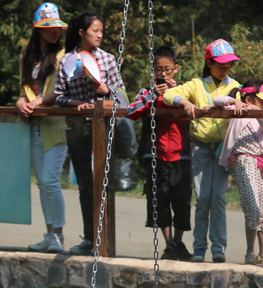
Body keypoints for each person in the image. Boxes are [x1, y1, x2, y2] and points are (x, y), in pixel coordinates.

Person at [163, 39, 241, 263]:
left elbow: (242, 101)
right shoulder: (196, 84)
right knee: (203, 198)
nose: (225, 68)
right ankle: (199, 248)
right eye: (220, 64)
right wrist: (183, 102)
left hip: (223, 148)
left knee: (218, 198)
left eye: (228, 65)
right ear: (209, 62)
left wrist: (237, 102)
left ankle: (219, 248)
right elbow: (169, 95)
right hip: (200, 148)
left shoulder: (235, 85)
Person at [54, 11, 125, 256]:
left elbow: (123, 95)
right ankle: (90, 238)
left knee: (103, 183)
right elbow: (59, 95)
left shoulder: (108, 59)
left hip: (104, 129)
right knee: (85, 184)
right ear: (82, 32)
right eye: (95, 31)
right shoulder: (66, 60)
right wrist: (76, 104)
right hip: (76, 129)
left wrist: (105, 89)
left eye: (102, 31)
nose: (100, 35)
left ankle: (106, 240)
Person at [126, 45, 192, 261]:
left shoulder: (184, 91)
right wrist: (154, 95)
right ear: (152, 70)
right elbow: (132, 111)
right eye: (158, 69)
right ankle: (169, 243)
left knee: (181, 200)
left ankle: (179, 241)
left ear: (176, 69)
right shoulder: (146, 92)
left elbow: (195, 111)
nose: (163, 74)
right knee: (159, 198)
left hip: (181, 155)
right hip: (156, 154)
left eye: (167, 69)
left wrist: (174, 95)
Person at [16, 3, 68, 253]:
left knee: (50, 181)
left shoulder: (64, 56)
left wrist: (39, 101)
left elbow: (61, 91)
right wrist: (20, 102)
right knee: (42, 183)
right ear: (38, 29)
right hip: (34, 125)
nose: (54, 31)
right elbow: (23, 90)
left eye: (57, 27)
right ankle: (49, 234)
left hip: (56, 126)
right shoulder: (27, 58)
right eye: (48, 27)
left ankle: (58, 235)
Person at [215, 80, 263, 265]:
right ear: (248, 98)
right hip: (244, 160)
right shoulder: (237, 111)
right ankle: (250, 251)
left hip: (262, 163)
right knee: (253, 207)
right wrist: (236, 102)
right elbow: (218, 100)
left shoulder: (261, 116)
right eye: (262, 100)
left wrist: (258, 110)